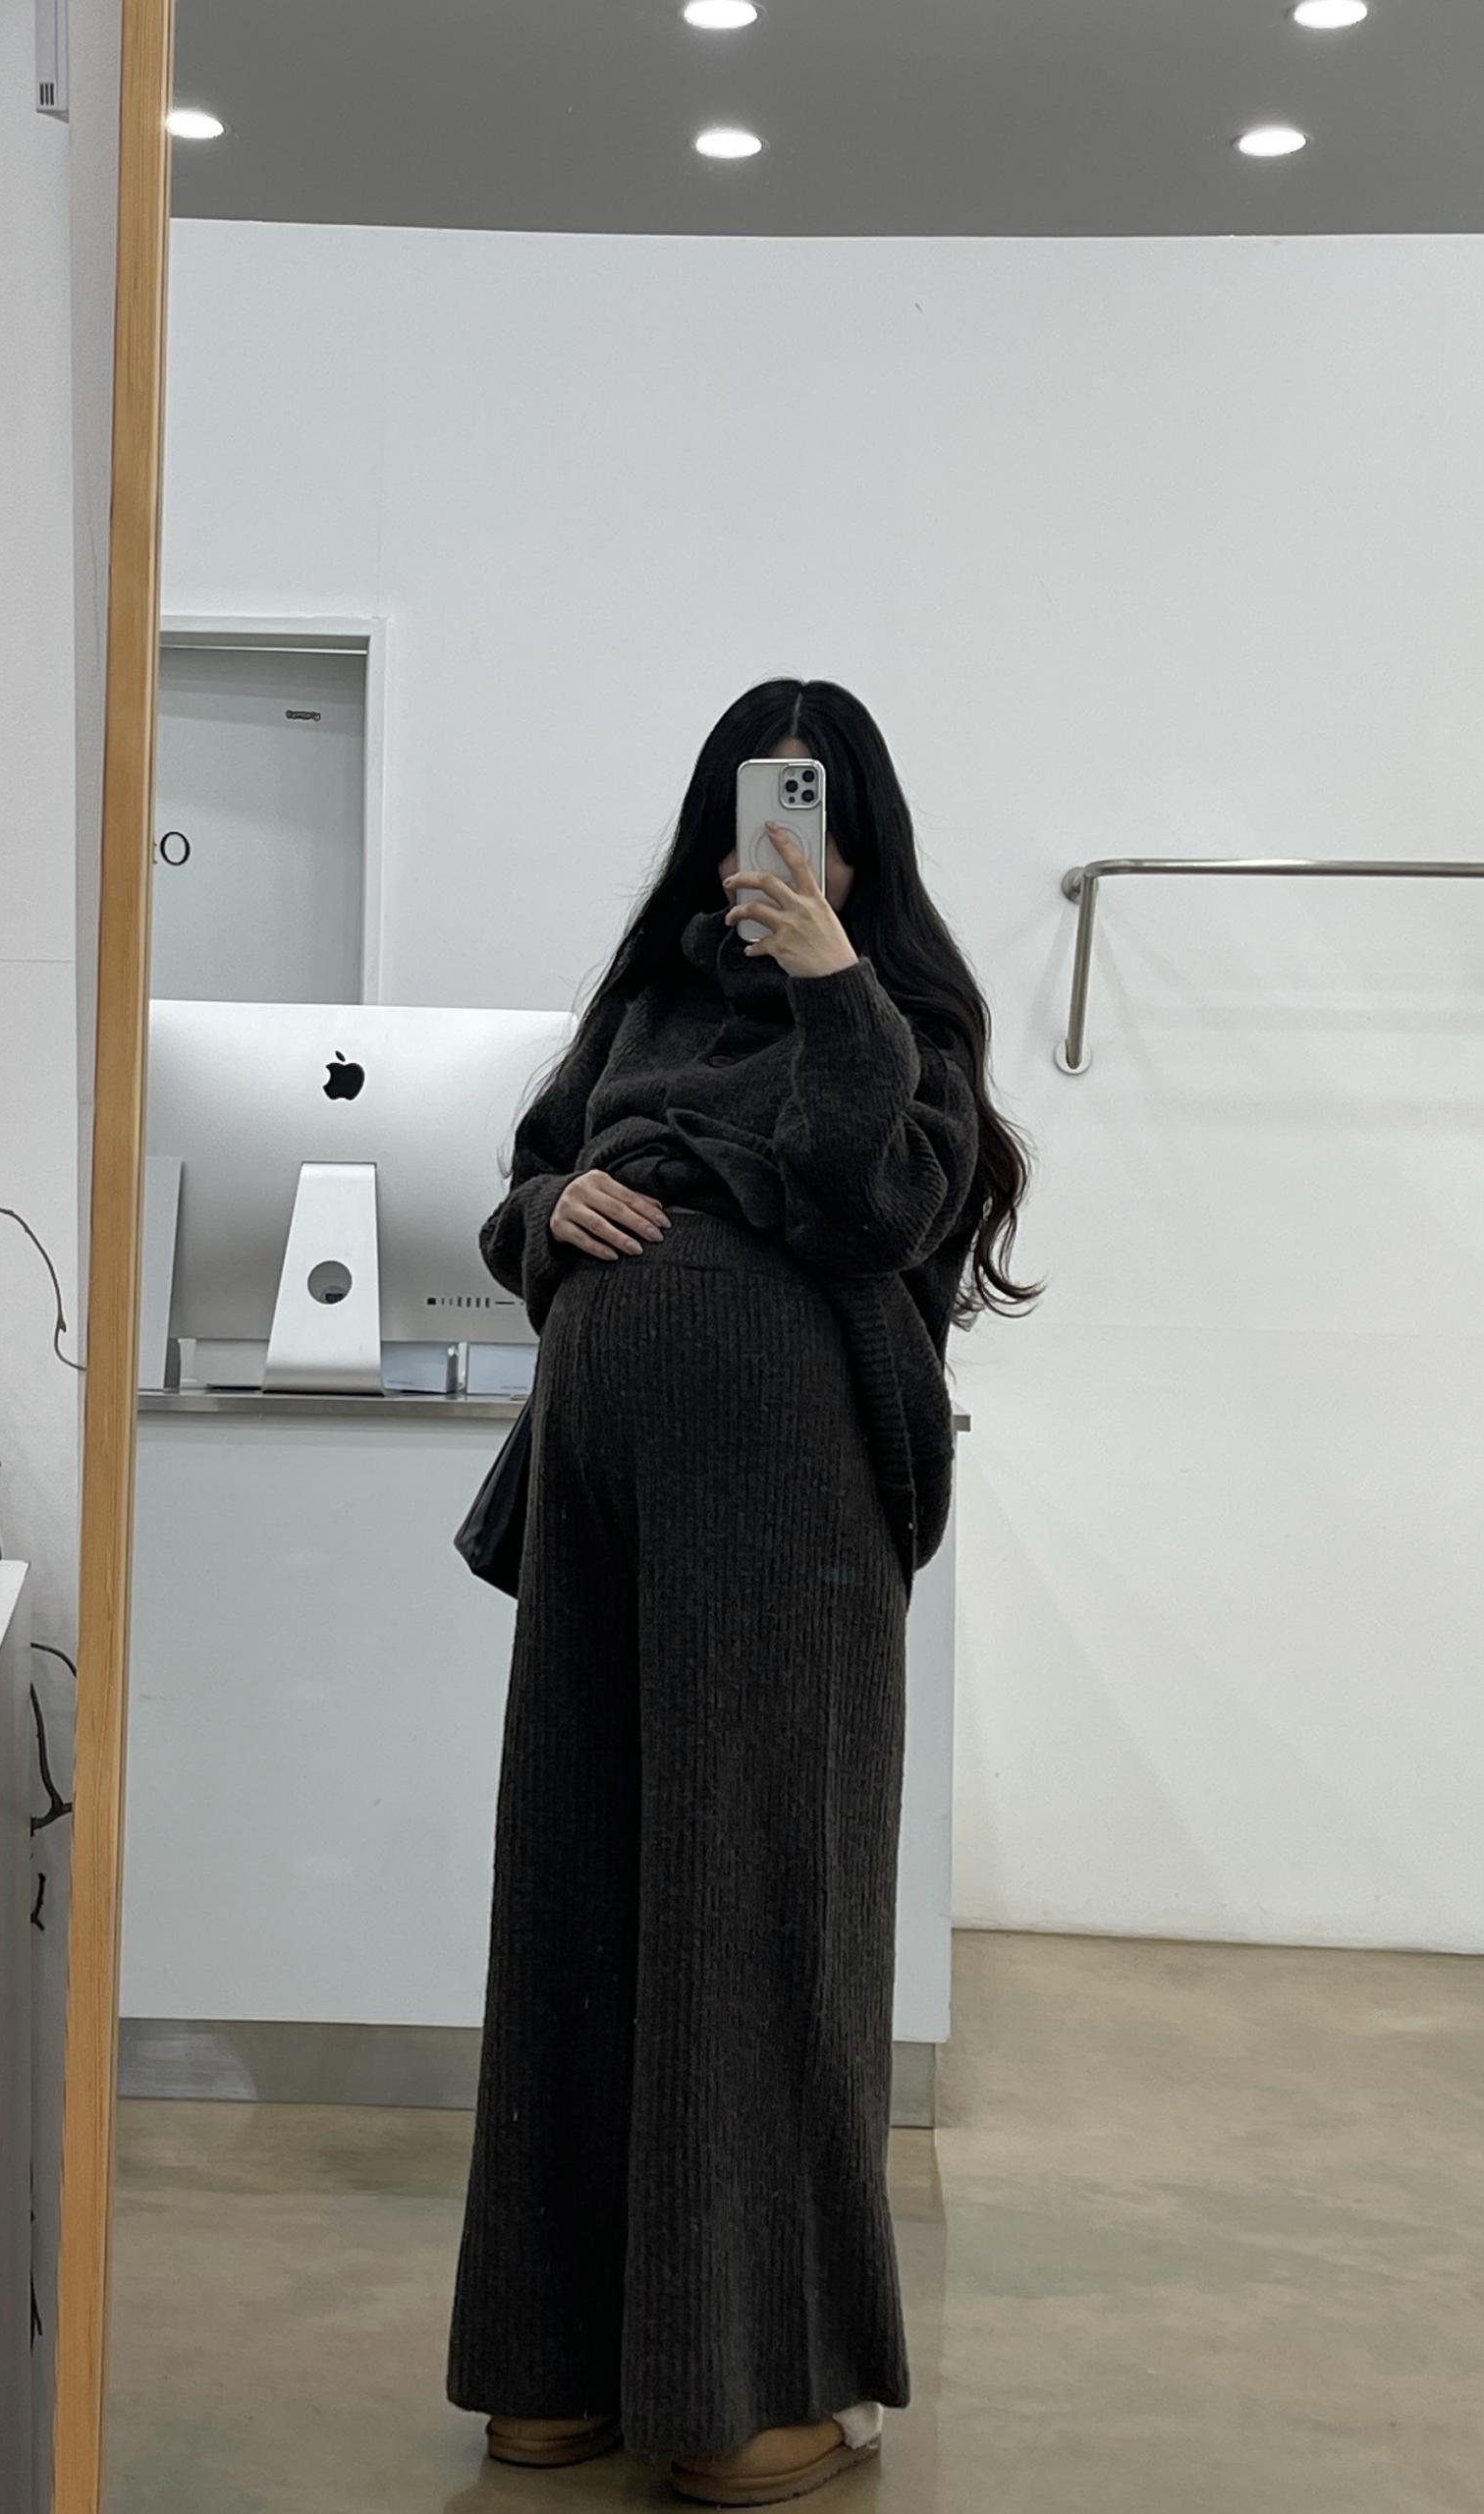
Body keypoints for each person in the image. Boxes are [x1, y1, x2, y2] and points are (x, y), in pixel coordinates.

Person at [445, 678, 1037, 2505]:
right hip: (606, 1480)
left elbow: (880, 1207)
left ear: (864, 841)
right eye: (750, 812)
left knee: (757, 1893)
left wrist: (837, 982)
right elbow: (526, 1181)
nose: (775, 850)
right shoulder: (643, 1004)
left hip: (790, 1495)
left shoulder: (907, 1021)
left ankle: (730, 2392)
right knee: (580, 1876)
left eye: (812, 814)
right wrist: (554, 1212)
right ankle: (554, 2371)